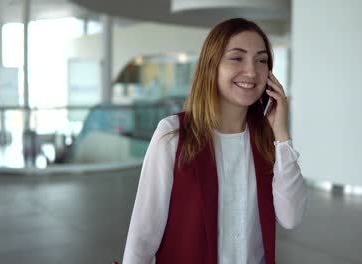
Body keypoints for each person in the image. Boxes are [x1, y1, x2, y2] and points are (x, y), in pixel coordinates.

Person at [122, 18, 306, 264]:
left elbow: (291, 217)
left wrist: (282, 136)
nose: (252, 71)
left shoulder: (266, 140)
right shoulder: (173, 134)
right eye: (237, 58)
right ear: (212, 66)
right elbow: (142, 237)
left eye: (261, 60)